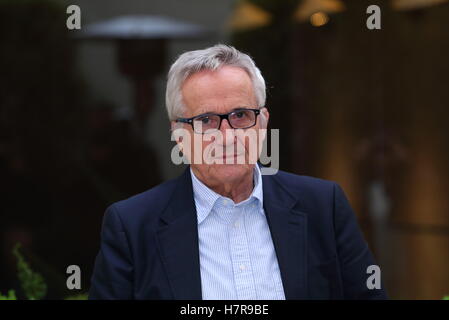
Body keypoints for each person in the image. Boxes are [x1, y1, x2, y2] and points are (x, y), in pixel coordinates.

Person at [88, 44, 387, 300]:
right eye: (206, 120)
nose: (228, 136)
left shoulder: (323, 206)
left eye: (241, 115)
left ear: (263, 122)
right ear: (179, 135)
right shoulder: (131, 226)